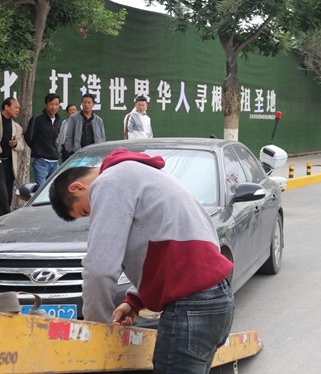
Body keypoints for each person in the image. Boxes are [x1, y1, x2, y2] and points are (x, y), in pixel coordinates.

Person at [48, 149, 235, 373]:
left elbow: (99, 269)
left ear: (77, 188)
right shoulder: (144, 176)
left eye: (85, 211)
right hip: (218, 301)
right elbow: (174, 249)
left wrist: (96, 330)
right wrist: (135, 301)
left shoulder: (109, 182)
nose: (92, 214)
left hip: (190, 307)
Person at [25, 94, 62, 188]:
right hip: (41, 161)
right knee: (41, 189)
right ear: (46, 105)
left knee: (54, 189)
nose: (54, 107)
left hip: (55, 161)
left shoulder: (58, 120)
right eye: (51, 104)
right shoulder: (37, 119)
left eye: (56, 104)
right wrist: (38, 150)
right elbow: (29, 137)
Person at [0, 97, 25, 215]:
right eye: (15, 107)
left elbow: (21, 146)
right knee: (2, 195)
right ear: (6, 107)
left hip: (9, 165)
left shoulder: (17, 127)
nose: (18, 110)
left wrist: (15, 144)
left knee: (8, 195)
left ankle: (4, 218)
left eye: (19, 108)